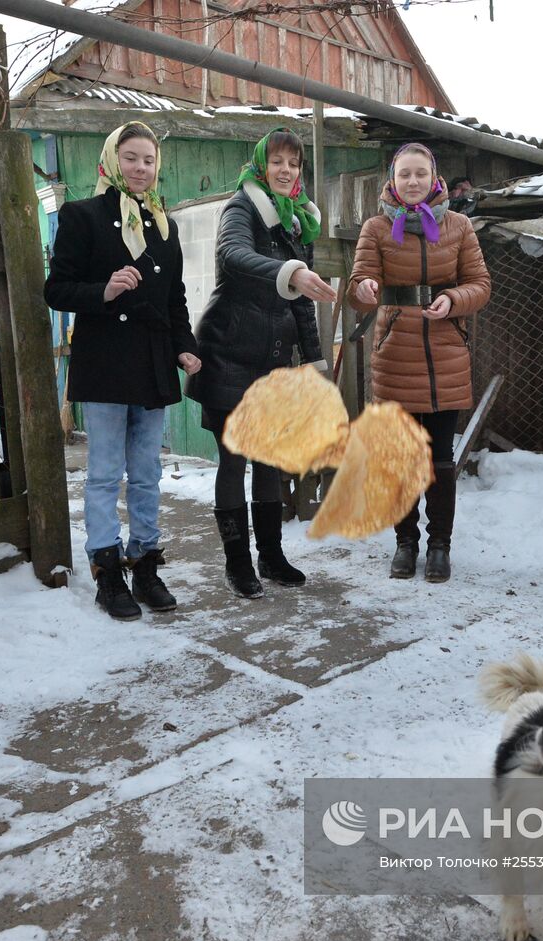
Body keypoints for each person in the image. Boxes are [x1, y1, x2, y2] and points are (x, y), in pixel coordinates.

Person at [44, 121, 201, 622]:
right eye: (131, 158)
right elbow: (56, 289)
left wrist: (186, 347)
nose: (140, 168)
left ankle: (146, 564)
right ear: (112, 161)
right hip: (106, 361)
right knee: (106, 473)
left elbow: (174, 297)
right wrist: (104, 291)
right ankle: (107, 571)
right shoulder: (81, 216)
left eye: (149, 160)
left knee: (148, 473)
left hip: (153, 364)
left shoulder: (163, 224)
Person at [185, 128, 337, 599]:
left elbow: (300, 302)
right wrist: (289, 271)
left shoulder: (298, 224)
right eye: (278, 162)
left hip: (272, 362)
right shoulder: (241, 208)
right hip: (228, 354)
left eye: (294, 163)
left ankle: (271, 556)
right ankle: (238, 564)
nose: (287, 170)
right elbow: (234, 256)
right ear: (261, 166)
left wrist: (315, 362)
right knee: (234, 461)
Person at [348, 143, 491, 583]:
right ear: (393, 180)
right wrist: (366, 288)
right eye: (405, 175)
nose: (413, 182)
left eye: (420, 175)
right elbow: (357, 285)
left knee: (440, 461)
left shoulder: (459, 226)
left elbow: (481, 284)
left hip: (446, 354)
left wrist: (453, 299)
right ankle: (405, 544)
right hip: (395, 355)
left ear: (434, 178)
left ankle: (440, 546)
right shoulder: (375, 228)